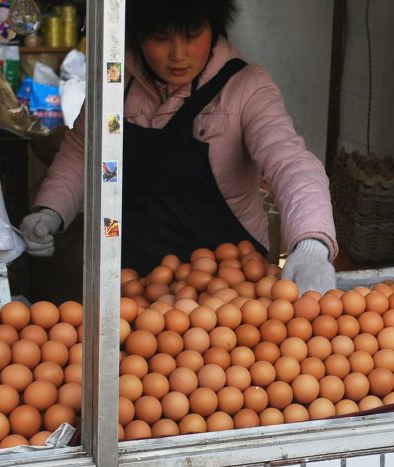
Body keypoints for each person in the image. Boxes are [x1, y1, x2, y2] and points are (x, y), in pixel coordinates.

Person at [19, 0, 337, 294]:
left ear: (214, 28)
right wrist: (51, 211)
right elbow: (84, 151)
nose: (178, 54)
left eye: (192, 34)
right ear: (136, 35)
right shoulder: (117, 82)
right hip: (131, 279)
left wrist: (311, 241)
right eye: (161, 37)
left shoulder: (245, 87)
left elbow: (290, 160)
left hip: (230, 287)